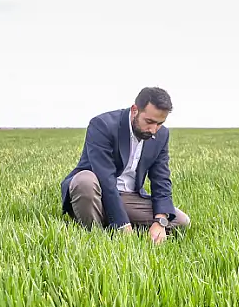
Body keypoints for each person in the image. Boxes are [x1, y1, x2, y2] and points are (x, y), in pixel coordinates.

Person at [60, 86, 190, 244]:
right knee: (84, 181)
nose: (154, 130)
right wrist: (122, 224)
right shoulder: (102, 125)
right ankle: (96, 236)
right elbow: (105, 179)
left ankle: (102, 219)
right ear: (135, 110)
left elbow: (161, 180)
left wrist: (160, 221)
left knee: (181, 221)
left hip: (129, 197)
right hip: (96, 192)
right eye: (149, 122)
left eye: (159, 124)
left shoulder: (161, 135)